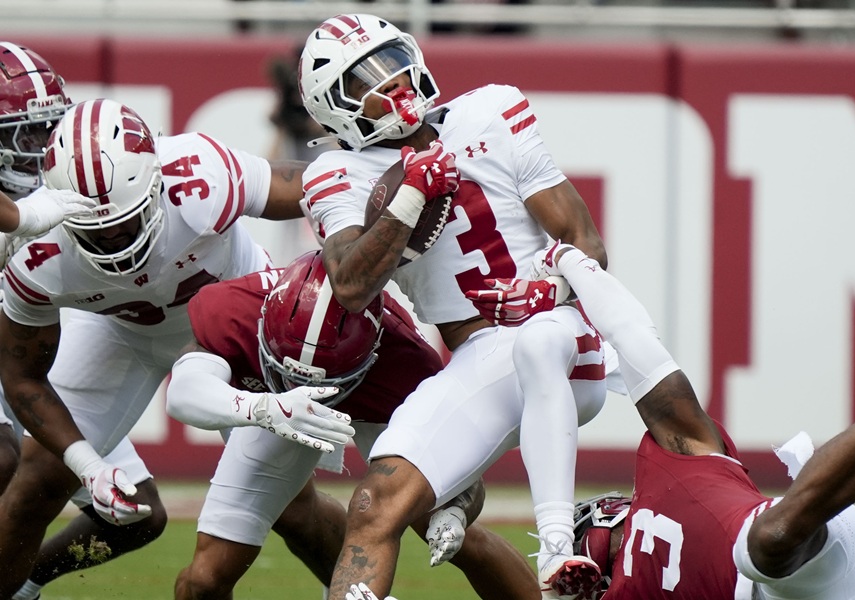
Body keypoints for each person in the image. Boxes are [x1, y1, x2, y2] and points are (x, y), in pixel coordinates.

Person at [468, 241, 855, 598]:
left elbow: (635, 341)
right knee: (761, 548)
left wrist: (572, 262)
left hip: (801, 554)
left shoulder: (669, 460)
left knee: (762, 546)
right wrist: (445, 520)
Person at [298, 13, 609, 599]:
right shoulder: (337, 173)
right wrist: (410, 195)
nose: (390, 82)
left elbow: (586, 244)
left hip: (562, 334)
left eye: (393, 62)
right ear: (334, 108)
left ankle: (559, 544)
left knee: (545, 341)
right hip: (482, 358)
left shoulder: (490, 110)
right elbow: (351, 286)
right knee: (374, 506)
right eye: (363, 78)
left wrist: (550, 289)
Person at [0, 97, 311, 598]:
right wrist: (89, 467)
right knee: (38, 479)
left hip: (233, 325)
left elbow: (314, 188)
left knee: (293, 508)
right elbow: (22, 379)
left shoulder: (200, 175)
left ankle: (360, 587)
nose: (113, 241)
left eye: (124, 221)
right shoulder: (37, 251)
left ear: (158, 184)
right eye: (95, 231)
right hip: (120, 332)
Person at [166, 250, 540, 599]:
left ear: (371, 352)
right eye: (287, 370)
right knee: (205, 580)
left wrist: (456, 511)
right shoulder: (237, 307)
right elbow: (183, 392)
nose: (302, 389)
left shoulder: (405, 364)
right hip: (273, 409)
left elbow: (465, 478)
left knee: (448, 531)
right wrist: (263, 407)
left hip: (371, 407)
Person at [0, 41, 177, 600]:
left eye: (47, 128)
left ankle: (23, 586)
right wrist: (19, 221)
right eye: (23, 134)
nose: (40, 147)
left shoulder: (73, 189)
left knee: (139, 514)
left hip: (26, 349)